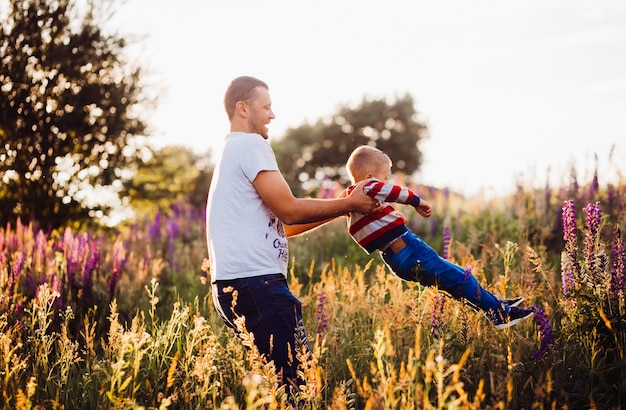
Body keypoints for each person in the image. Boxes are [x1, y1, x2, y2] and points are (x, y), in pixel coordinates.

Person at [205, 76, 382, 393]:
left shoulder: (231, 151)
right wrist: (351, 202)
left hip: (235, 286)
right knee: (297, 387)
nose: (272, 115)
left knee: (279, 388)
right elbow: (289, 209)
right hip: (258, 283)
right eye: (266, 107)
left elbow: (284, 225)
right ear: (242, 108)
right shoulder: (250, 144)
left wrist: (343, 206)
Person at [342, 145, 535, 330]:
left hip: (394, 260)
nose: (384, 182)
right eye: (384, 178)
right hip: (410, 250)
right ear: (369, 177)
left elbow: (363, 232)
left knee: (451, 286)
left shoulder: (349, 199)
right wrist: (417, 202)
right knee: (462, 278)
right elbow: (395, 192)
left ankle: (493, 304)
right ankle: (501, 314)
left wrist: (388, 219)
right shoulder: (367, 186)